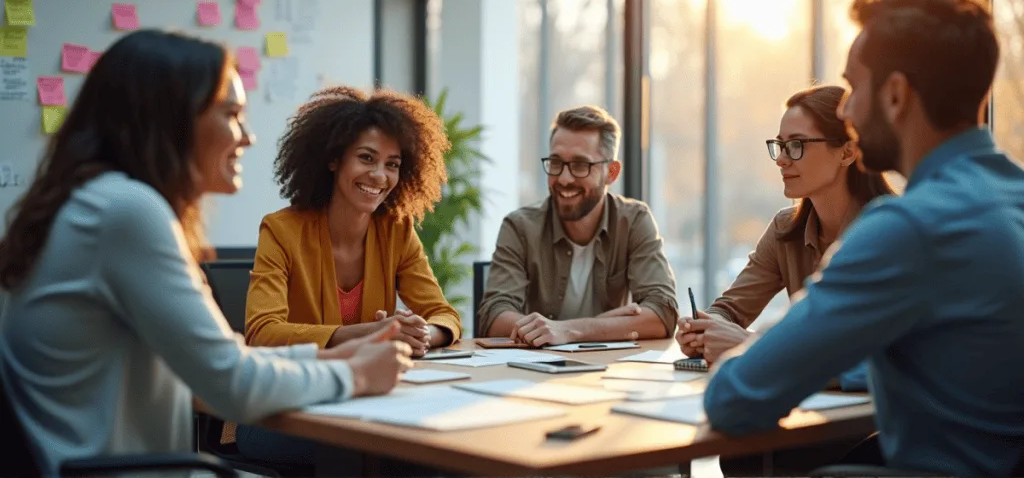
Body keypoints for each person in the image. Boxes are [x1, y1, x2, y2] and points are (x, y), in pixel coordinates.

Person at [0, 30, 411, 475]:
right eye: (232, 114)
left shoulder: (90, 204)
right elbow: (230, 383)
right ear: (172, 120)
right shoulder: (126, 213)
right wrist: (358, 375)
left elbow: (214, 358)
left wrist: (330, 356)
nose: (248, 137)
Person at [703, 0, 1024, 477]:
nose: (847, 110)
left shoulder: (907, 228)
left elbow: (735, 398)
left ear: (895, 94)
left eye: (854, 87)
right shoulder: (1012, 198)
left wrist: (741, 357)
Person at [239, 86, 461, 466]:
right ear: (333, 160)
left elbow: (445, 315)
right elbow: (263, 333)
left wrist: (422, 332)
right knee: (368, 453)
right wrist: (374, 334)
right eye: (366, 158)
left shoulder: (397, 230)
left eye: (392, 164)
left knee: (437, 447)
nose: (380, 175)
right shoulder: (281, 231)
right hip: (284, 410)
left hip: (370, 403)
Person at [677, 85, 894, 391]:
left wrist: (753, 346)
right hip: (809, 408)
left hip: (869, 422)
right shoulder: (785, 228)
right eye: (779, 145)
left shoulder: (889, 233)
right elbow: (730, 308)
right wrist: (704, 330)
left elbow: (878, 363)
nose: (781, 160)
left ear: (847, 151)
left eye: (796, 145)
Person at [478, 105, 678, 346]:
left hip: (610, 372)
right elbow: (494, 316)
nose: (564, 178)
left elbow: (662, 313)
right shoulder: (520, 226)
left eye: (580, 165)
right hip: (538, 372)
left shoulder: (634, 220)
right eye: (555, 162)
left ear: (611, 173)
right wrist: (606, 325)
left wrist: (570, 330)